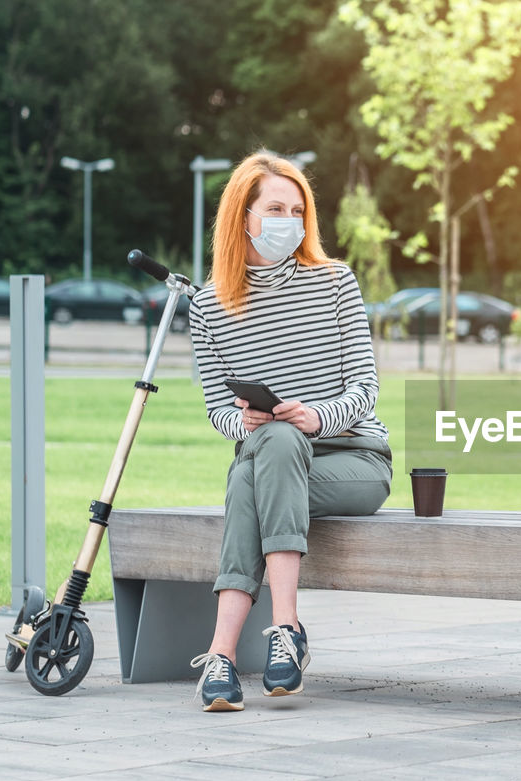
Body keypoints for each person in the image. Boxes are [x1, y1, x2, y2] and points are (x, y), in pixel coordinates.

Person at [187, 150, 392, 711]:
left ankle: (236, 649)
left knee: (254, 470)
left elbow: (366, 390)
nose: (290, 221)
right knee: (268, 448)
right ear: (243, 217)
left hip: (353, 459)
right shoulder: (207, 307)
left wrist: (318, 416)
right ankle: (266, 645)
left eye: (297, 210)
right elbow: (217, 411)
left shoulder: (334, 282)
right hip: (273, 456)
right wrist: (246, 419)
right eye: (275, 208)